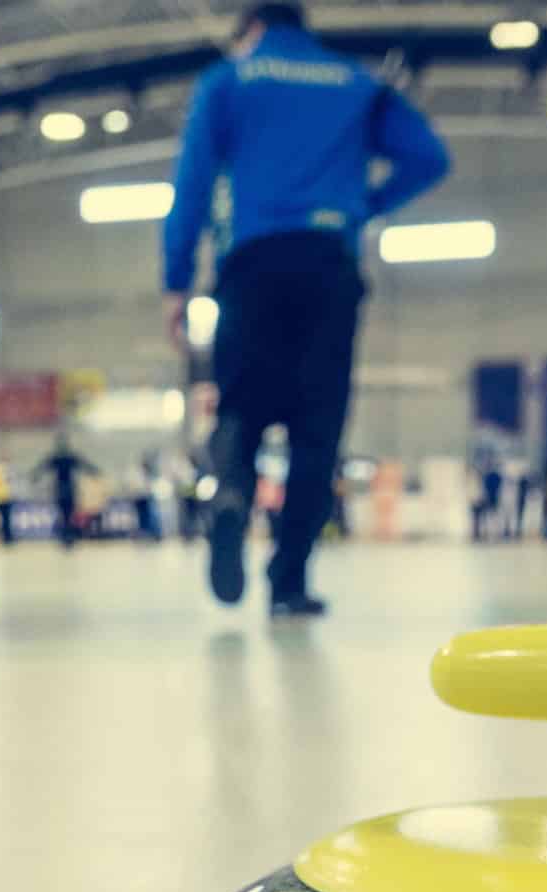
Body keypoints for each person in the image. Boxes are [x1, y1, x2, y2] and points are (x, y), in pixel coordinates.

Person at [163, 1, 449, 616]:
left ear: (252, 30)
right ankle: (289, 582)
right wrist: (362, 204)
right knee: (316, 432)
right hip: (329, 265)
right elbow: (429, 158)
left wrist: (176, 282)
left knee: (242, 403)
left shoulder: (229, 80)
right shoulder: (356, 83)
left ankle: (234, 485)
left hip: (253, 266)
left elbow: (191, 183)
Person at [38, 434, 98, 548]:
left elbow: (41, 468)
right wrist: (95, 472)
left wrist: (34, 477)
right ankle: (69, 536)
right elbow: (86, 465)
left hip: (59, 489)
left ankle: (65, 536)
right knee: (69, 514)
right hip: (70, 489)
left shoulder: (55, 457)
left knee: (63, 514)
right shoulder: (71, 456)